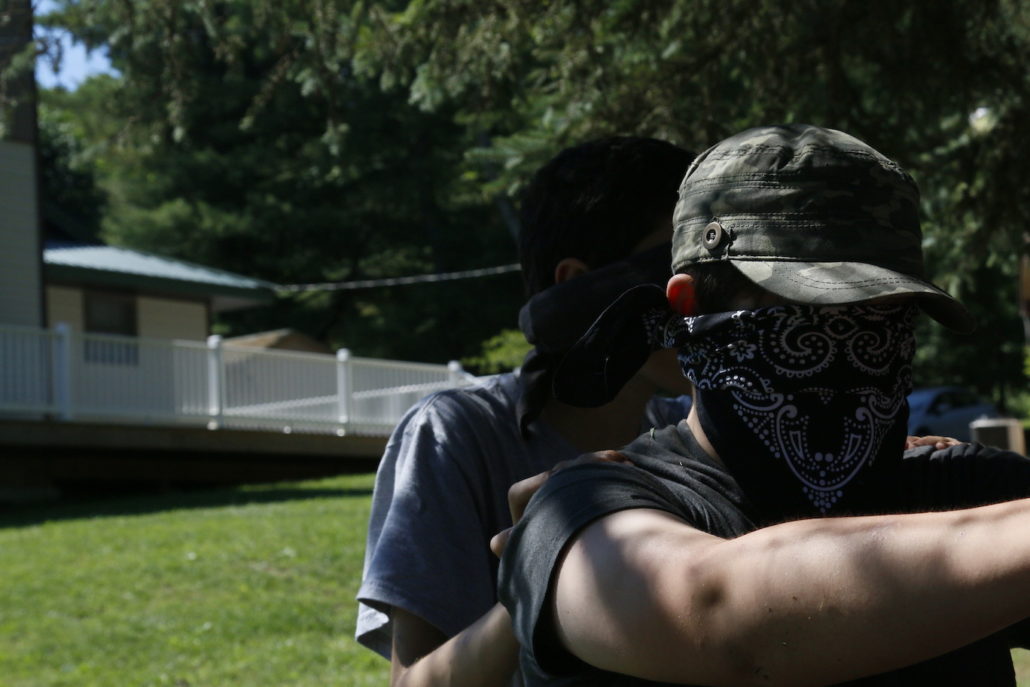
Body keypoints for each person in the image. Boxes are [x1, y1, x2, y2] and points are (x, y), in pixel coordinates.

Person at [497, 124, 1030, 686]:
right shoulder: (584, 508)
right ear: (689, 308)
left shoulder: (963, 490)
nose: (852, 346)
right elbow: (715, 616)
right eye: (809, 312)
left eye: (886, 315)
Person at [355, 136, 696, 686]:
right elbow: (412, 681)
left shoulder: (687, 430)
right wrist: (539, 576)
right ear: (580, 287)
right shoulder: (455, 434)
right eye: (674, 266)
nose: (703, 301)